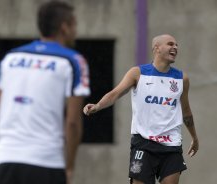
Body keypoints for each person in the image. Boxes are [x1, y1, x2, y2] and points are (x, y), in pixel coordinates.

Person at [0, 1, 90, 184]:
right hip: (47, 162)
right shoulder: (73, 61)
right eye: (74, 24)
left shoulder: (10, 58)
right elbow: (73, 122)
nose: (76, 30)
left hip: (6, 160)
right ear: (64, 27)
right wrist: (70, 166)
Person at [83, 34, 199, 184]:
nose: (175, 47)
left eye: (176, 45)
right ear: (156, 48)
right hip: (144, 143)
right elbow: (115, 94)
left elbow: (186, 111)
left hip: (172, 145)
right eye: (170, 44)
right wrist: (97, 106)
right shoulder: (138, 73)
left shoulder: (182, 78)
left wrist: (194, 137)